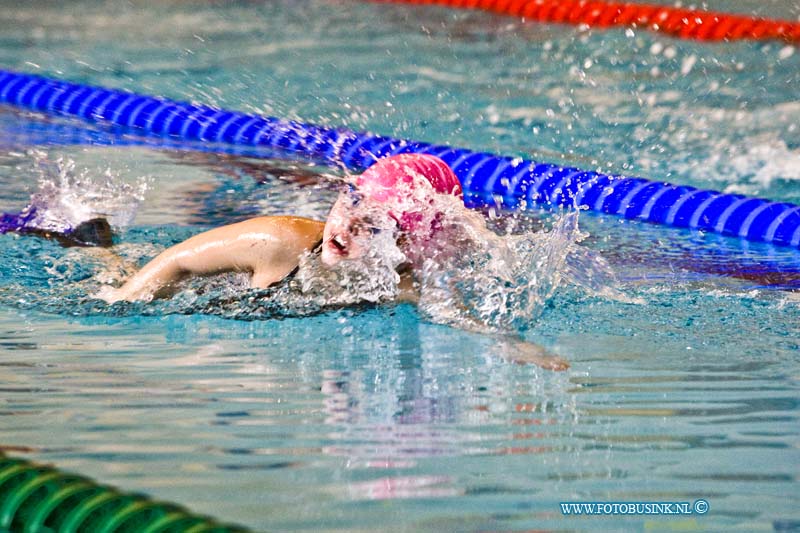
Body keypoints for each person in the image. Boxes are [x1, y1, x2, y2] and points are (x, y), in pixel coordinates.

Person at [93, 153, 569, 370]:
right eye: (350, 200)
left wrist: (520, 350)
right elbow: (176, 262)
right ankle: (93, 242)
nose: (346, 225)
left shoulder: (402, 283)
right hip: (211, 295)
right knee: (119, 278)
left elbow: (463, 321)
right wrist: (121, 299)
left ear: (405, 245)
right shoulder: (276, 241)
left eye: (374, 225)